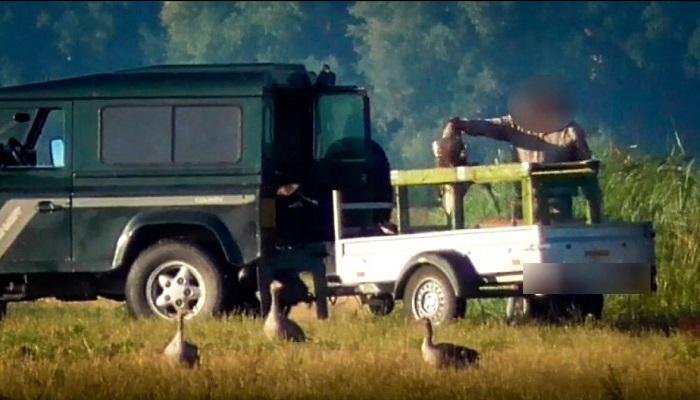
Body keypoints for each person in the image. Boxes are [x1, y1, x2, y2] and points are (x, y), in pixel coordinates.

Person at [440, 76, 593, 220]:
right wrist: (458, 124)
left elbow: (588, 171)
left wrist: (593, 207)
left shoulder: (570, 133)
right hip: (523, 201)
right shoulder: (516, 125)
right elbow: (486, 126)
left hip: (557, 205)